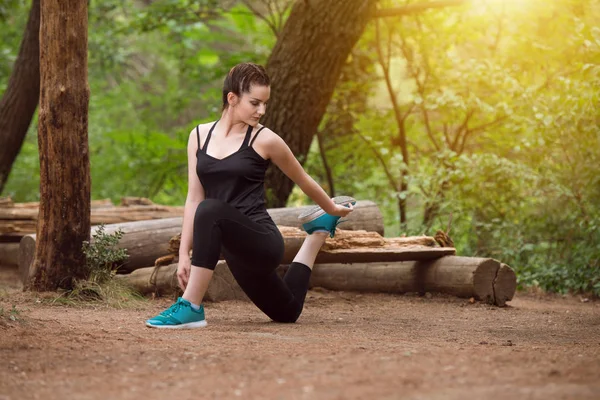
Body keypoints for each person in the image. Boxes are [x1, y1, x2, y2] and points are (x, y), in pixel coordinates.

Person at [145, 63, 355, 329]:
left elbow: (303, 179)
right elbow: (193, 199)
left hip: (262, 242)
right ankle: (317, 232)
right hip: (235, 250)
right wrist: (184, 254)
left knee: (210, 210)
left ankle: (191, 307)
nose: (262, 110)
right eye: (255, 103)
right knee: (287, 312)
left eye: (265, 103)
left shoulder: (265, 139)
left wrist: (333, 207)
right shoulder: (198, 136)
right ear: (232, 98)